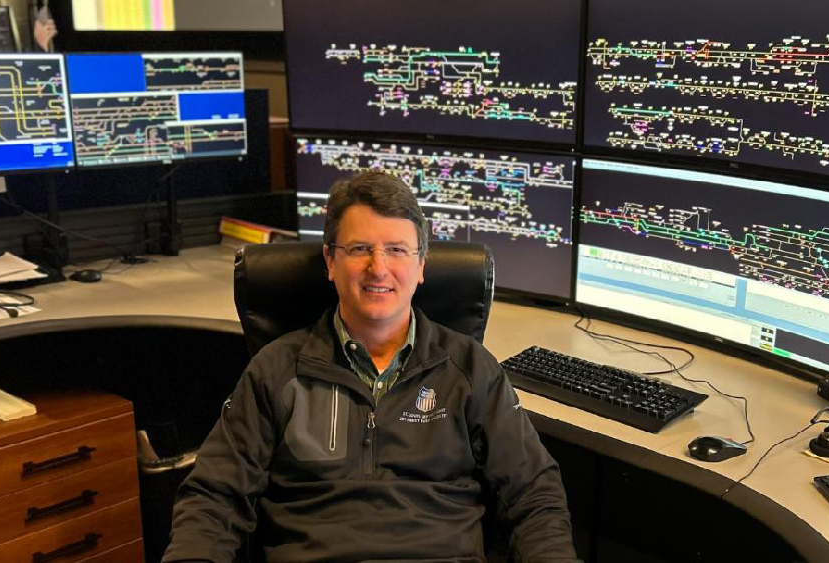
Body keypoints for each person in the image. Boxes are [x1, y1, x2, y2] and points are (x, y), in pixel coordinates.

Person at [163, 171, 579, 563]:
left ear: (421, 266)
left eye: (397, 250)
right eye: (360, 249)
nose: (378, 268)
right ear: (330, 261)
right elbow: (213, 497)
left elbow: (533, 495)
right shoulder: (276, 369)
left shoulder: (470, 369)